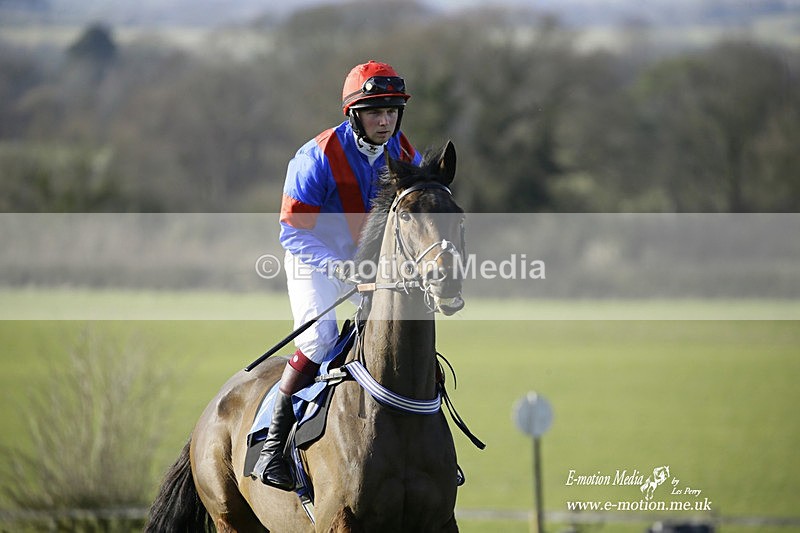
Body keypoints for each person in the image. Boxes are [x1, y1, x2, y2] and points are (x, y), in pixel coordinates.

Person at [253, 60, 423, 490]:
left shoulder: (405, 154)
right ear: (353, 115)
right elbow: (292, 231)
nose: (385, 122)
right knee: (321, 339)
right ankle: (272, 447)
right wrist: (340, 266)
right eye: (375, 112)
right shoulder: (316, 157)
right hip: (315, 260)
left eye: (392, 112)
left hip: (371, 266)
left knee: (403, 336)